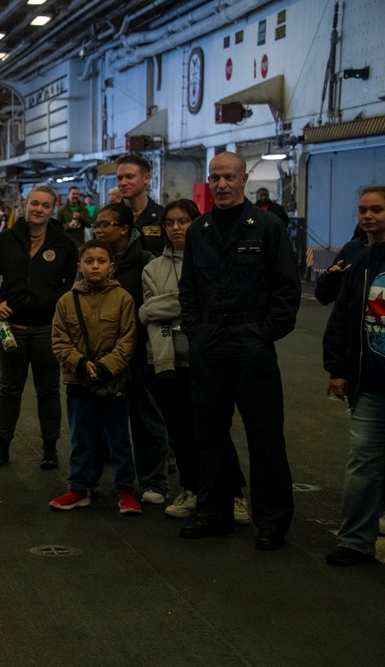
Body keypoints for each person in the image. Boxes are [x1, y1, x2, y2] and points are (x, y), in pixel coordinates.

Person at [178, 151, 300, 551]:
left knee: (264, 436)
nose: (222, 185)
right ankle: (215, 512)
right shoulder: (198, 230)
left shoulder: (267, 227)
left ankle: (273, 521)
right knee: (209, 434)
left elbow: (286, 288)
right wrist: (195, 332)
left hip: (251, 344)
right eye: (215, 178)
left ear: (244, 179)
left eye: (229, 177)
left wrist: (266, 333)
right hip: (209, 343)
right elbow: (189, 289)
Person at [140, 200, 250, 521]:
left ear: (197, 224)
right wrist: (183, 305)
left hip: (207, 359)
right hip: (168, 363)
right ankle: (191, 487)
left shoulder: (212, 261)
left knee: (213, 430)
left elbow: (191, 305)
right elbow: (151, 316)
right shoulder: (152, 269)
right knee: (180, 431)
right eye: (171, 222)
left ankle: (234, 493)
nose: (176, 228)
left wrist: (165, 305)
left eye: (184, 221)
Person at [0, 185, 78, 470]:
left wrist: (57, 303)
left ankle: (49, 449)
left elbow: (72, 279)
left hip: (48, 329)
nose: (39, 210)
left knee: (48, 390)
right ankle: (2, 447)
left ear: (52, 209)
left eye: (45, 206)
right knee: (10, 389)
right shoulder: (6, 240)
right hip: (12, 328)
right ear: (25, 205)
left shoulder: (63, 243)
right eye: (34, 204)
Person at [49, 239, 141, 515]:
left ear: (111, 267)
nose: (95, 266)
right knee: (81, 437)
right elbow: (59, 339)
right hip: (78, 381)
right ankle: (79, 488)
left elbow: (127, 339)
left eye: (101, 261)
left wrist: (105, 366)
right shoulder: (67, 301)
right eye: (89, 261)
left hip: (111, 381)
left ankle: (125, 490)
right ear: (80, 266)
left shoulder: (123, 299)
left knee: (119, 438)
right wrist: (79, 363)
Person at [323, 185, 385, 566]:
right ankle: (355, 542)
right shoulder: (359, 260)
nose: (368, 216)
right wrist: (336, 369)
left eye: (377, 209)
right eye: (363, 209)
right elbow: (341, 316)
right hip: (372, 383)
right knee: (363, 461)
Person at [95, 203, 170, 506]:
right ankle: (104, 479)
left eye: (105, 225)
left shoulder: (145, 262)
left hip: (139, 353)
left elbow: (155, 307)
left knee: (146, 420)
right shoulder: (97, 259)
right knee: (103, 420)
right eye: (96, 225)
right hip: (103, 355)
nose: (99, 229)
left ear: (124, 229)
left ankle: (154, 482)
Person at [116, 154, 165, 256]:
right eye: (120, 178)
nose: (123, 183)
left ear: (146, 178)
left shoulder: (162, 217)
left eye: (129, 177)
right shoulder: (110, 217)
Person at [315, 224, 368, 305]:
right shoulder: (351, 249)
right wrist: (330, 277)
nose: (368, 216)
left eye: (377, 211)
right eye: (363, 211)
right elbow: (324, 297)